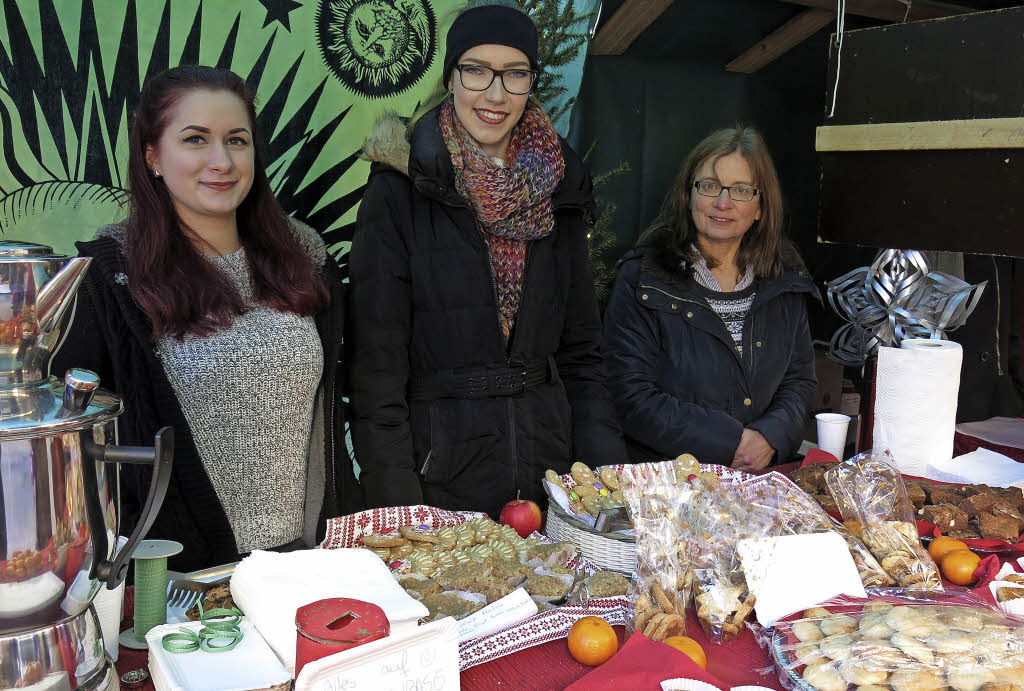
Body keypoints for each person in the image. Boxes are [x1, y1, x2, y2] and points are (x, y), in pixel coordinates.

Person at [52, 66, 359, 572]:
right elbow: (72, 452)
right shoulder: (110, 277)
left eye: (237, 140)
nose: (222, 161)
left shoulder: (306, 258)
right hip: (180, 578)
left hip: (306, 565)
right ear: (152, 155)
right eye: (195, 139)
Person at [348, 1, 626, 517]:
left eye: (515, 74)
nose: (495, 94)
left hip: (552, 480)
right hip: (439, 479)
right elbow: (376, 372)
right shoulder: (399, 191)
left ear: (531, 83)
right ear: (451, 77)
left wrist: (606, 482)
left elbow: (582, 354)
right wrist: (398, 507)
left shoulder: (559, 187)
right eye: (476, 70)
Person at [602, 127, 817, 471]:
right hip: (667, 489)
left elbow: (799, 380)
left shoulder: (785, 279)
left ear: (761, 206)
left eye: (741, 190)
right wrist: (730, 442)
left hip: (759, 486)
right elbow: (629, 394)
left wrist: (770, 437)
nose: (723, 202)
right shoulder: (645, 278)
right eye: (709, 186)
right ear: (688, 195)